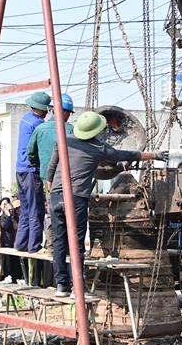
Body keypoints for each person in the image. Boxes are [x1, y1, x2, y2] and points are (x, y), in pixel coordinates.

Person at [46, 111, 169, 297]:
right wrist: (154, 155)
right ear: (96, 131)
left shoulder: (64, 141)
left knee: (59, 242)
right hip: (76, 198)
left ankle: (61, 286)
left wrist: (52, 190)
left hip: (56, 196)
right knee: (76, 244)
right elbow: (127, 154)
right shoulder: (98, 148)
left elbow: (51, 169)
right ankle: (78, 289)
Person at [27, 92, 75, 252]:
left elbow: (31, 153)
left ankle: (52, 246)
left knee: (51, 212)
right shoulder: (73, 131)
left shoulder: (40, 129)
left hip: (48, 179)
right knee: (70, 212)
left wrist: (39, 162)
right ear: (67, 112)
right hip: (70, 179)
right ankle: (69, 247)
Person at [15, 91, 51, 253]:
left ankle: (21, 243)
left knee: (26, 209)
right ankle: (34, 246)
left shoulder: (25, 119)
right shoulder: (38, 124)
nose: (47, 113)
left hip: (20, 169)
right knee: (36, 209)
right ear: (41, 109)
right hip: (31, 170)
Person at [0, 197, 19, 282]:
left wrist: (13, 217)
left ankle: (15, 277)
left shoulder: (15, 217)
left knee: (15, 262)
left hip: (15, 241)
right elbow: (5, 227)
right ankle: (7, 276)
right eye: (9, 210)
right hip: (6, 242)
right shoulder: (2, 217)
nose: (11, 211)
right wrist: (9, 217)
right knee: (7, 262)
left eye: (12, 209)